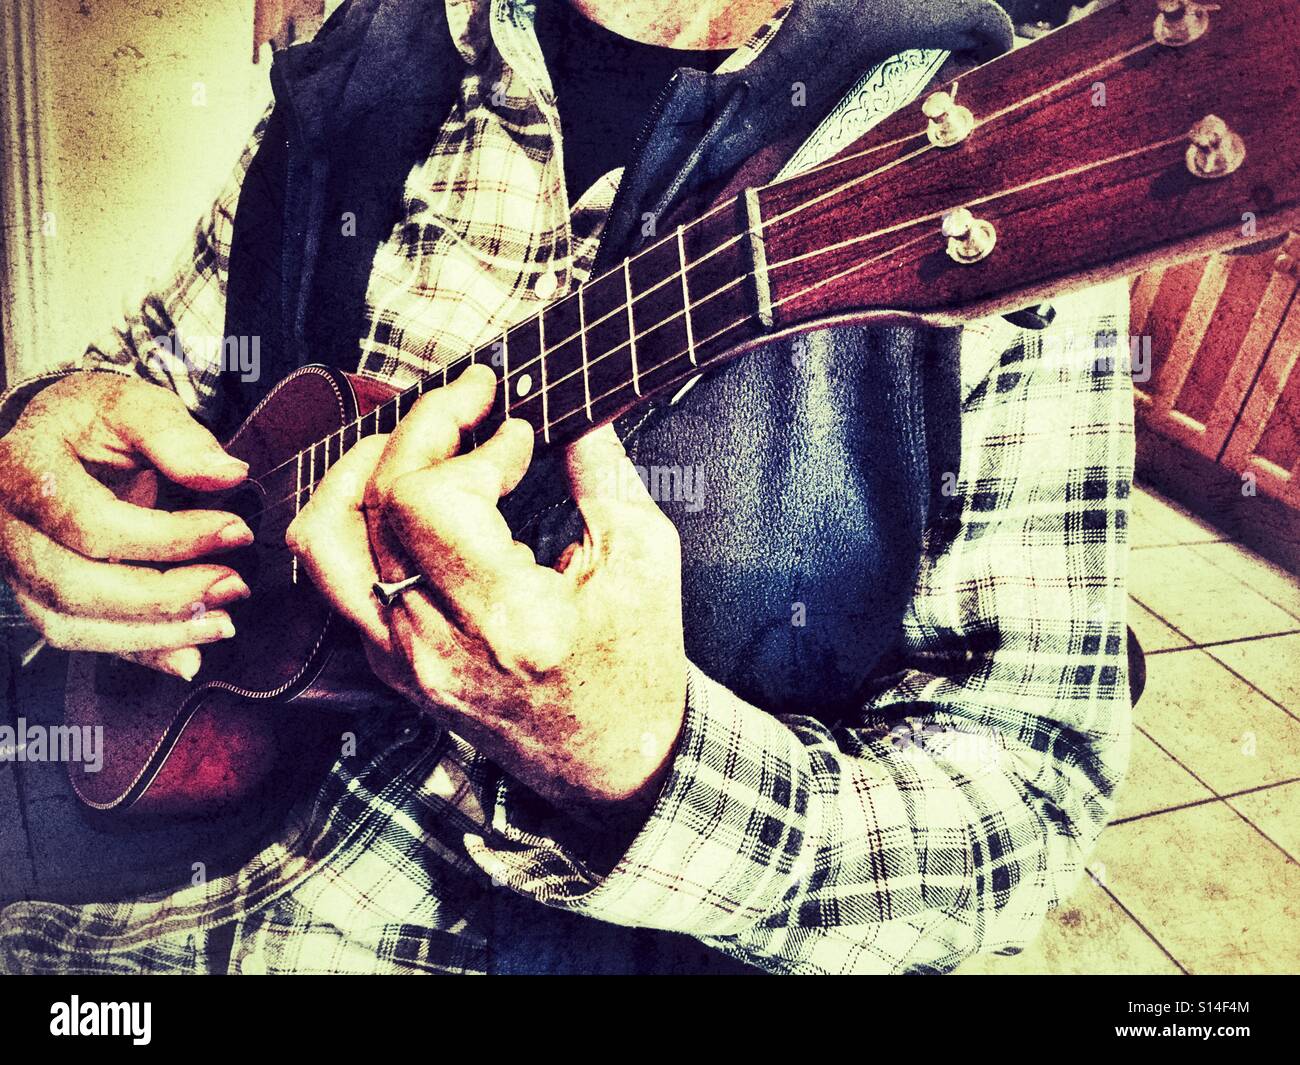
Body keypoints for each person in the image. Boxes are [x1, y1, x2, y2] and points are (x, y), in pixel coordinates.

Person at [0, 0, 1132, 973]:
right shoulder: (356, 58)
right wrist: (38, 427)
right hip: (147, 891)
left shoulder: (991, 145)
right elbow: (142, 380)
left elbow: (1027, 811)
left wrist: (641, 762)